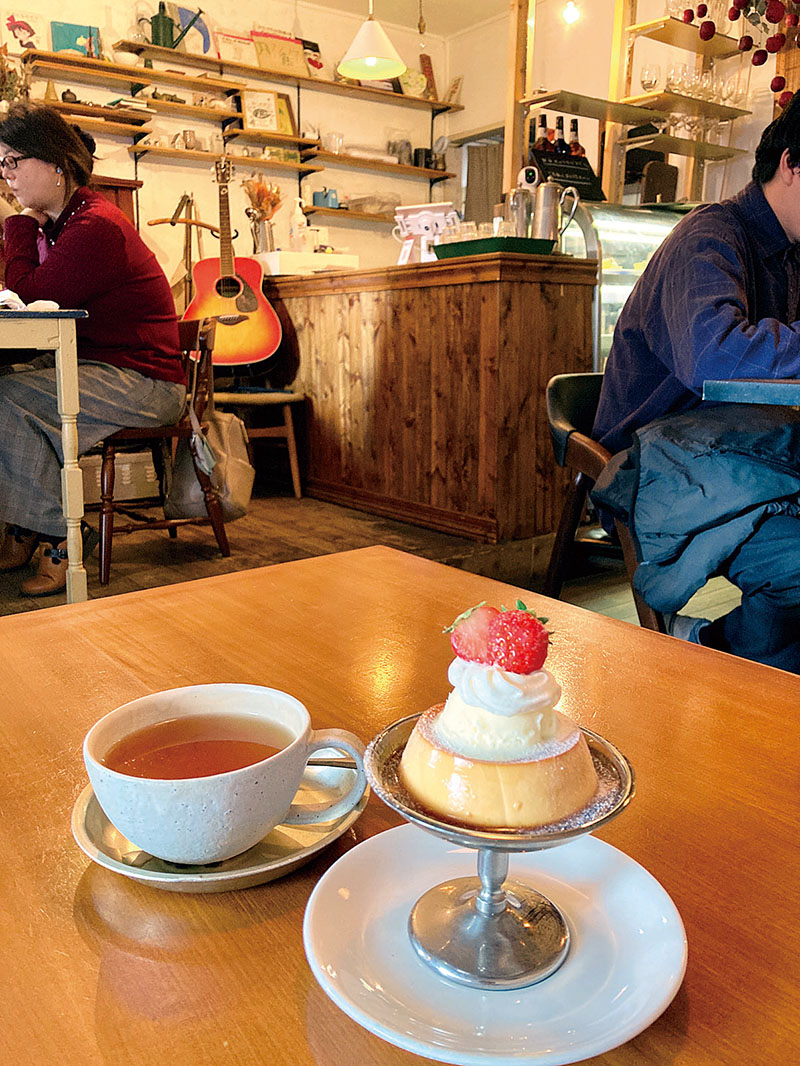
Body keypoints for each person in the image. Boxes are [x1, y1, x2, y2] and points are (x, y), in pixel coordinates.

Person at [591, 92, 800, 674]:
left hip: (737, 453)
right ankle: (717, 658)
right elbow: (717, 358)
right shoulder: (709, 237)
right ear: (792, 163)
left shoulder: (790, 255)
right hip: (658, 461)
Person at [0, 102, 185, 596]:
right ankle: (29, 523)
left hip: (148, 381)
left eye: (13, 161)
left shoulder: (94, 227)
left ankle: (60, 534)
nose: (6, 175)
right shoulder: (66, 224)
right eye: (2, 164)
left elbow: (26, 294)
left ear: (56, 163)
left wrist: (19, 223)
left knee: (9, 401)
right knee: (9, 392)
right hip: (109, 367)